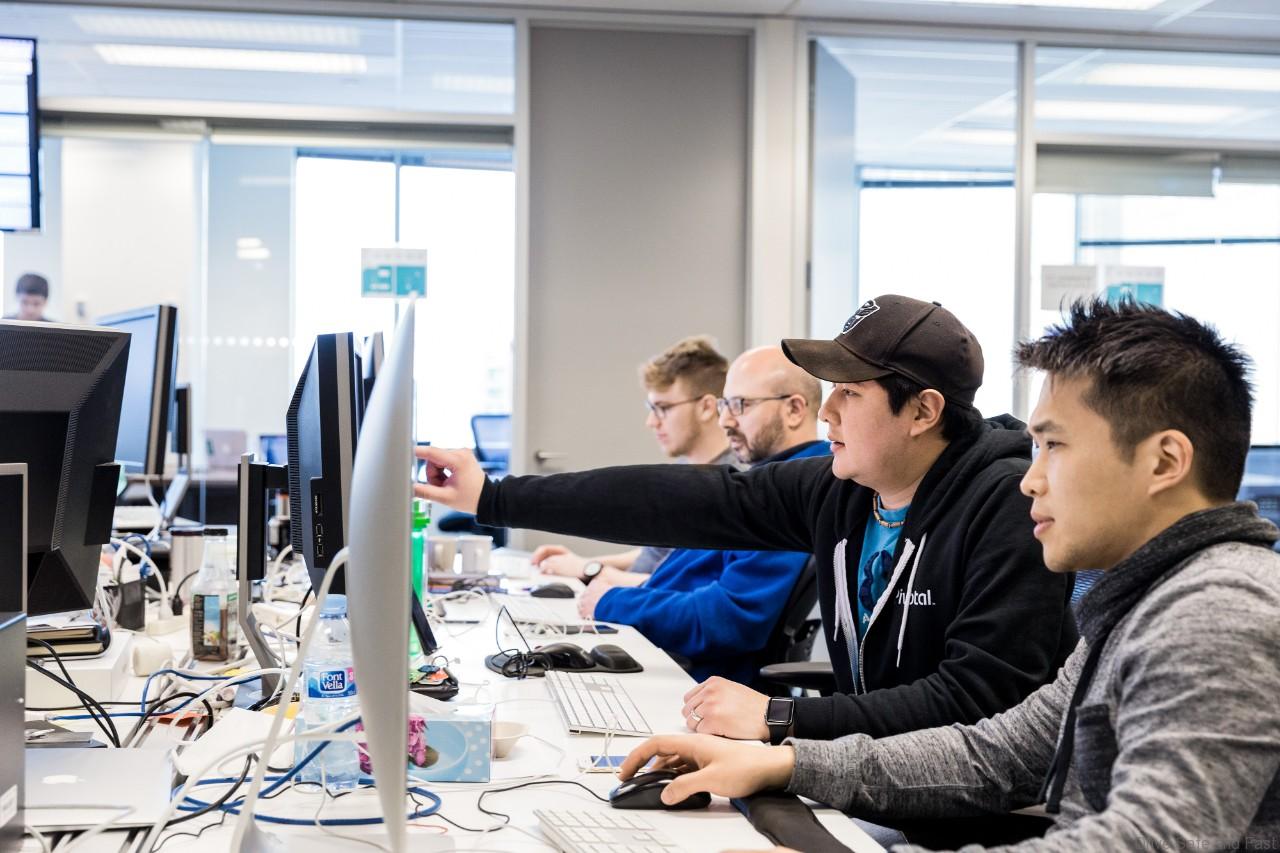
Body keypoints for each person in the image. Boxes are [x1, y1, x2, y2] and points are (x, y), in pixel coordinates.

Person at [615, 298, 1280, 852]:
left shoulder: (1218, 614)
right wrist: (784, 762)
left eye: (1054, 445)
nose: (1031, 479)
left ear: (1164, 462)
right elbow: (998, 754)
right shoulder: (1142, 601)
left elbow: (1149, 840)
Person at [416, 295, 1075, 744]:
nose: (827, 412)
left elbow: (975, 703)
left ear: (923, 411)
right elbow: (683, 501)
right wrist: (493, 497)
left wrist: (781, 720)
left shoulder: (1007, 506)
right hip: (862, 775)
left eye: (850, 393)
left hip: (955, 815)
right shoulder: (844, 490)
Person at [565, 345, 828, 683]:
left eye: (740, 405)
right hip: (668, 659)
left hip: (694, 682)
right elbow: (693, 585)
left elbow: (728, 619)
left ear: (794, 409)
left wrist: (612, 602)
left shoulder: (785, 497)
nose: (725, 420)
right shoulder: (758, 485)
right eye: (724, 405)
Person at [534, 335, 740, 584]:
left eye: (663, 408)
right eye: (651, 409)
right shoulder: (687, 469)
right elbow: (658, 556)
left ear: (706, 407)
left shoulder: (729, 487)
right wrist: (583, 562)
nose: (651, 422)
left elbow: (680, 588)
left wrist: (589, 570)